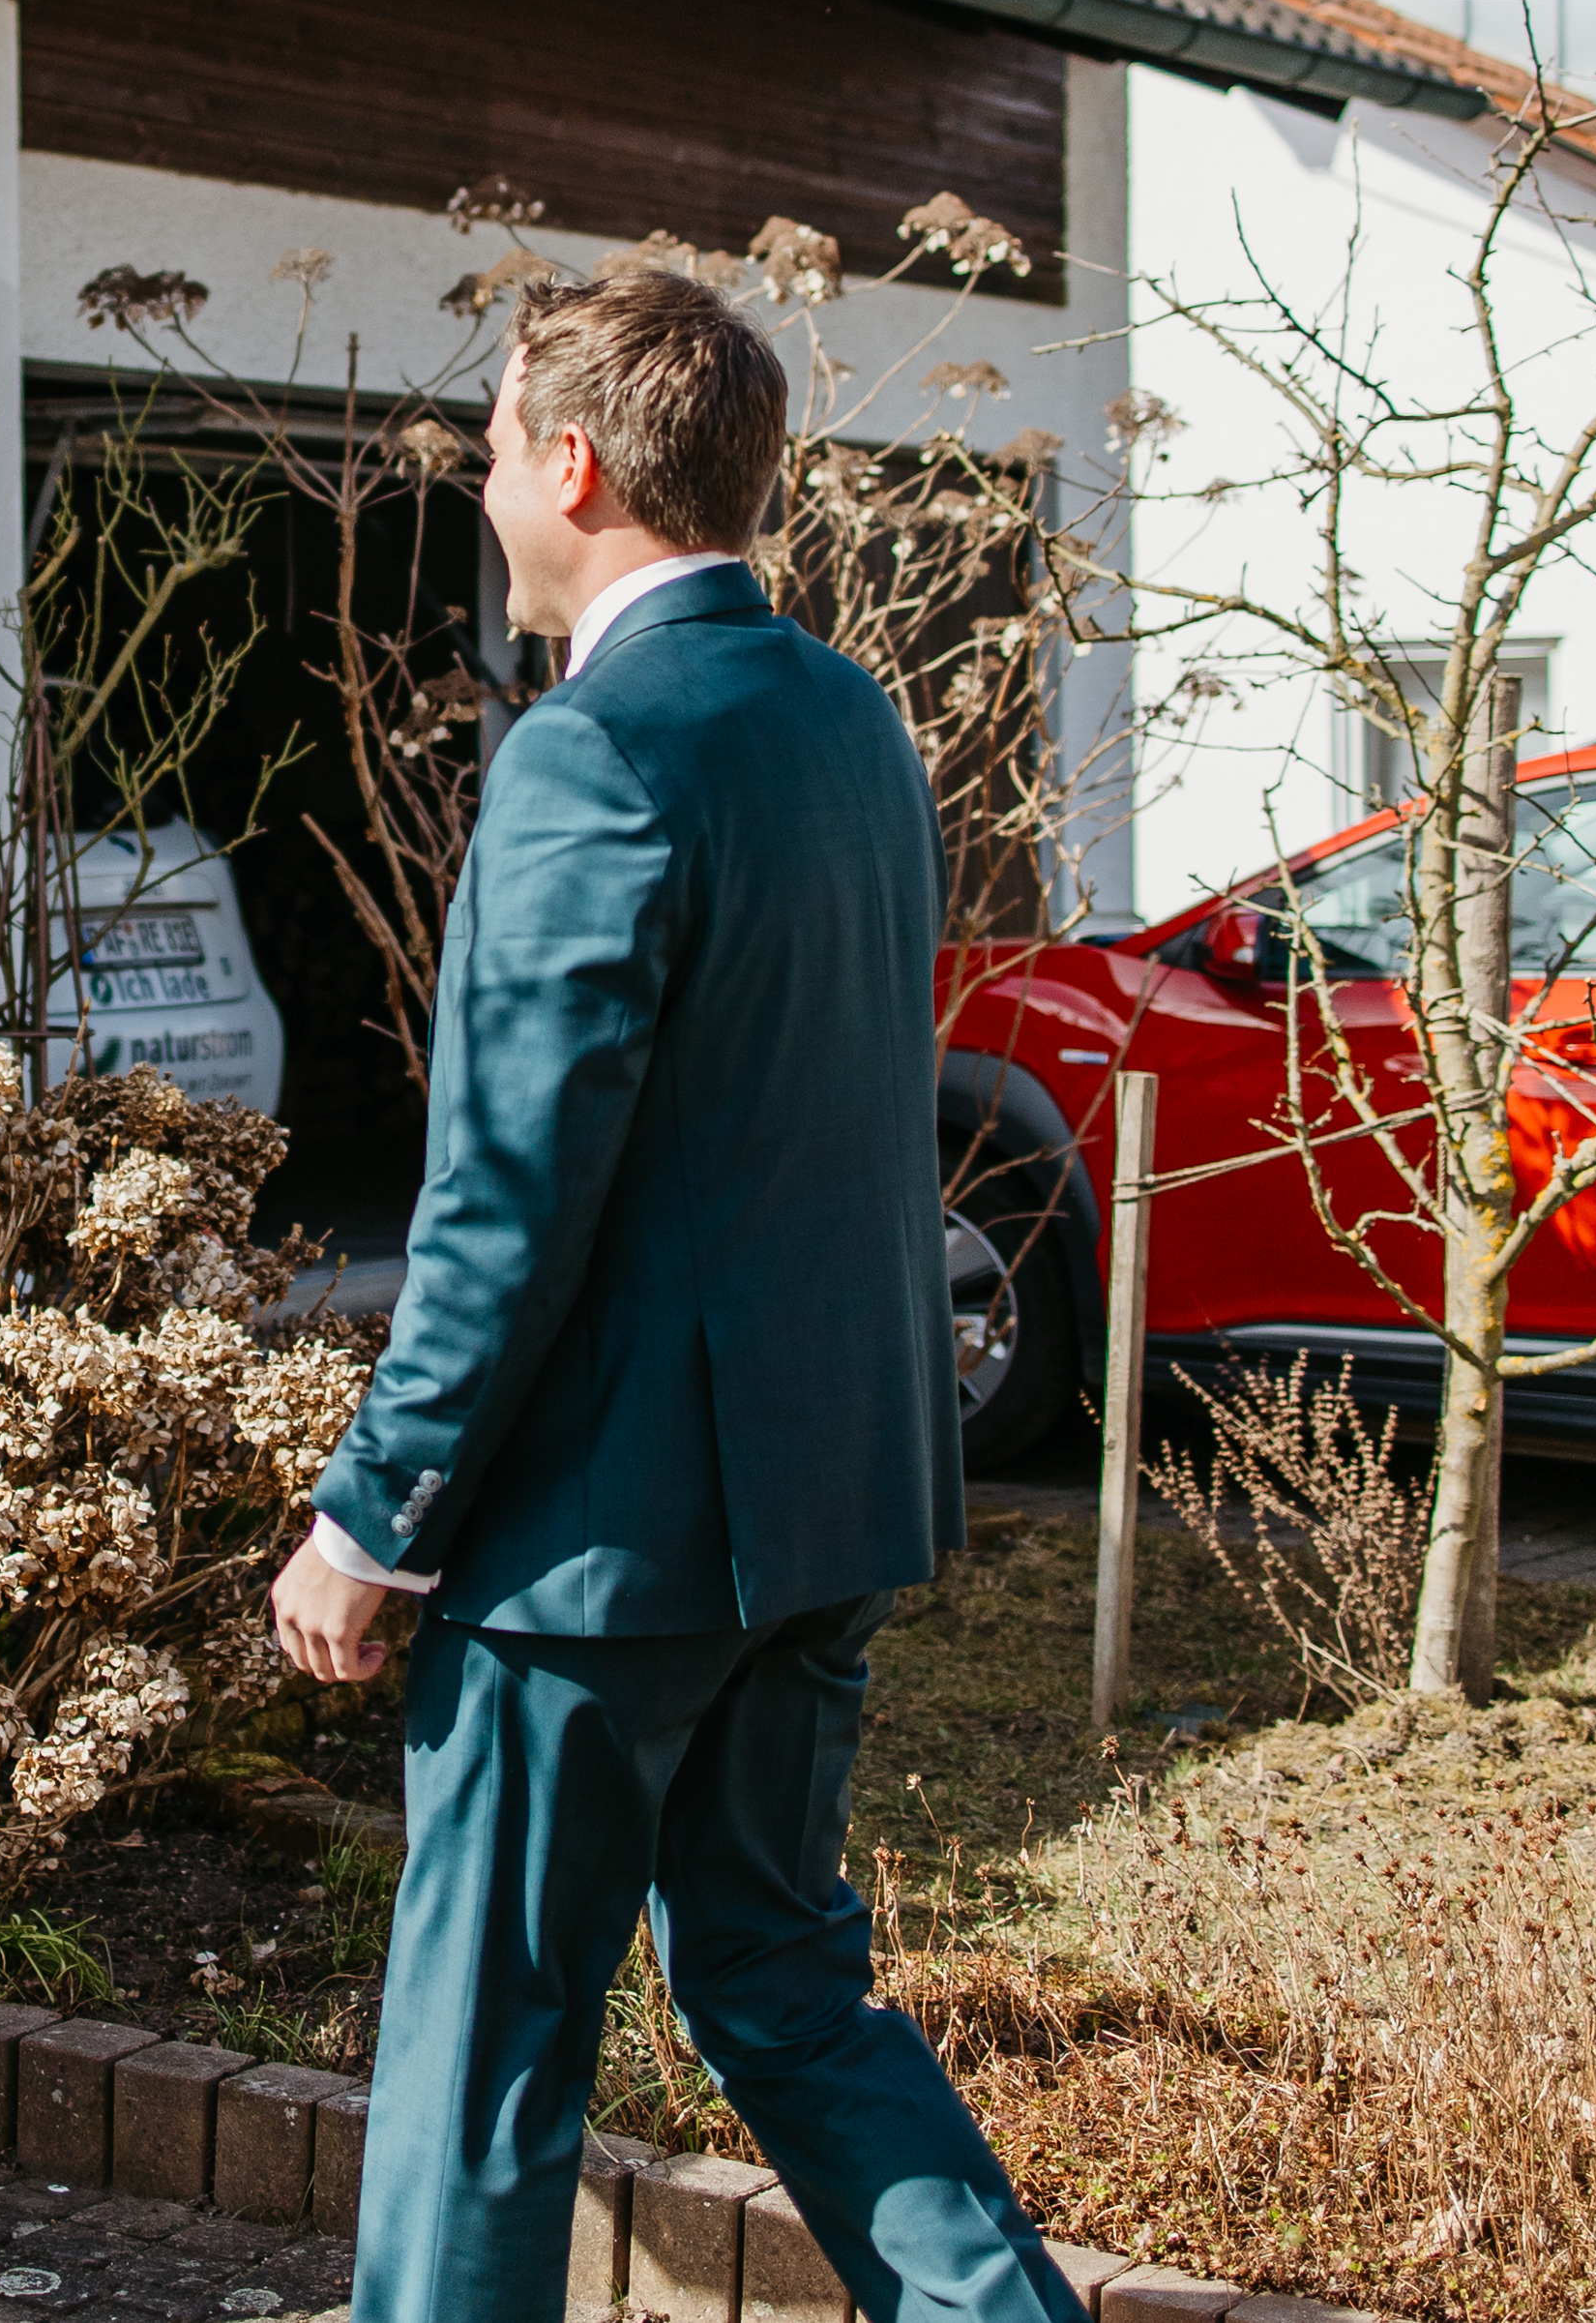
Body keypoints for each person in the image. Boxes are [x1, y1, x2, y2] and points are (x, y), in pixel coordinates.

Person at [268, 272, 1083, 2323]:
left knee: (481, 2056)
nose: (474, 488)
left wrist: (373, 1515)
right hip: (828, 1504)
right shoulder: (849, 719)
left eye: (486, 448)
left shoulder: (589, 751)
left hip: (598, 1553)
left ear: (571, 464)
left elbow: (507, 1197)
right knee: (781, 1989)